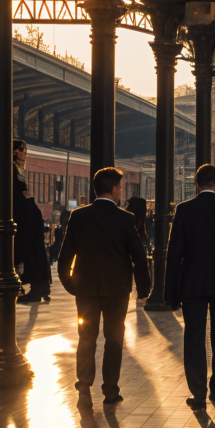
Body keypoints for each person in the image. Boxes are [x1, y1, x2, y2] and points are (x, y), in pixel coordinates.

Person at [55, 167, 151, 404]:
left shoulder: (78, 216)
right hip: (117, 291)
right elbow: (138, 258)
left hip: (86, 290)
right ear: (115, 189)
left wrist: (72, 284)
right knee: (114, 339)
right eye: (120, 186)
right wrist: (144, 289)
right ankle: (110, 390)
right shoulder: (126, 219)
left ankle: (84, 388)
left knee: (86, 337)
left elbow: (64, 256)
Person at [164, 164, 215, 411]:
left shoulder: (184, 210)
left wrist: (171, 291)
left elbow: (174, 254)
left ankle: (198, 395)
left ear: (196, 184)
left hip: (192, 283)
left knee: (194, 338)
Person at [13, 140, 51, 305]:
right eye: (22, 149)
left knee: (33, 248)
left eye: (25, 150)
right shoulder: (13, 169)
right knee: (34, 248)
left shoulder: (19, 170)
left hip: (26, 213)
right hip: (26, 212)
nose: (24, 153)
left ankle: (38, 287)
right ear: (13, 151)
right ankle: (40, 287)